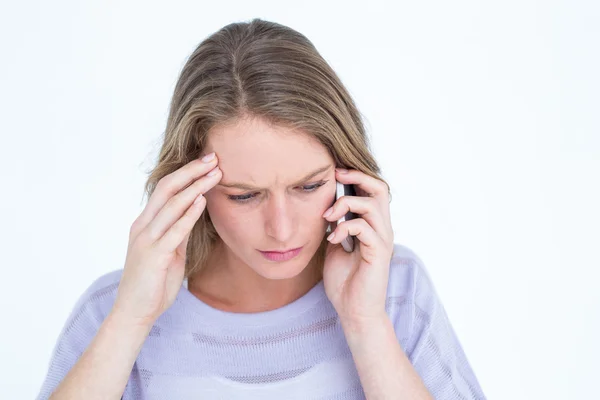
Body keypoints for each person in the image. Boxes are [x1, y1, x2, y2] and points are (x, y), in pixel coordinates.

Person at [36, 18, 486, 400]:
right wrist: (131, 319)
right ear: (189, 184)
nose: (282, 229)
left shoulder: (396, 288)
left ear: (347, 171)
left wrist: (364, 323)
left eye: (308, 186)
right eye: (244, 195)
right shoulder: (114, 309)